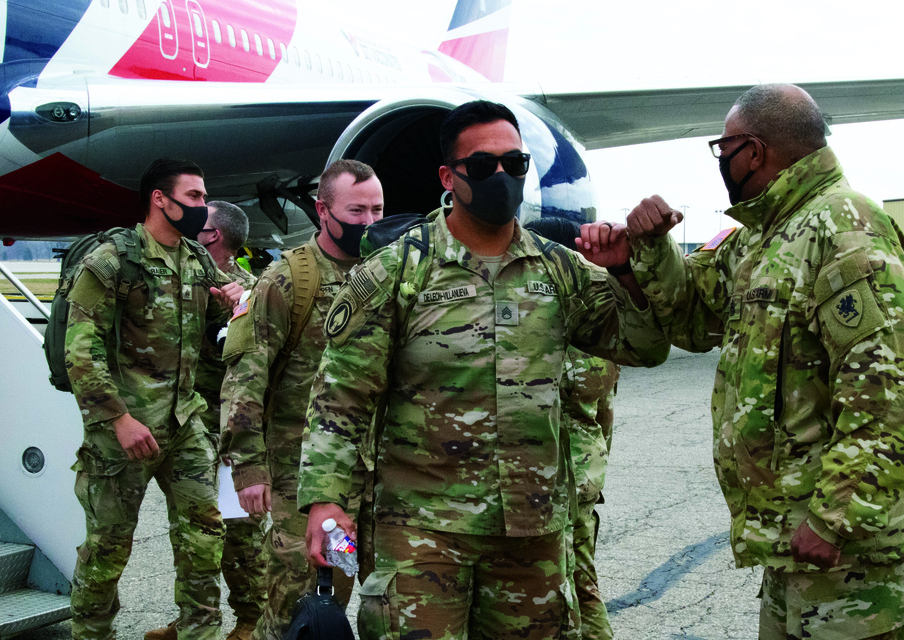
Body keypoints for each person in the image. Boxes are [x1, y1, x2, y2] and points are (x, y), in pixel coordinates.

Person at [298, 100, 671, 640]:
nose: (502, 176)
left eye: (515, 164)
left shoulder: (560, 268)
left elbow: (643, 345)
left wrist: (630, 276)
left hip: (532, 530)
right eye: (482, 166)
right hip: (423, 531)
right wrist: (327, 501)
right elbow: (342, 396)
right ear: (449, 177)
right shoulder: (400, 270)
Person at [626, 84, 904, 639]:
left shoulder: (844, 228)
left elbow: (892, 396)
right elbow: (695, 320)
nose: (721, 160)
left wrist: (836, 519)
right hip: (796, 537)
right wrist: (649, 252)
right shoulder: (764, 236)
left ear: (752, 150)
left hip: (848, 548)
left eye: (723, 147)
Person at [66, 158, 243, 640]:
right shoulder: (112, 260)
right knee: (108, 549)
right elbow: (81, 351)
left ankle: (198, 633)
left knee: (204, 538)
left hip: (185, 422)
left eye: (205, 197)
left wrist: (234, 298)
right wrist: (119, 419)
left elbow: (213, 334)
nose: (203, 207)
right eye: (194, 197)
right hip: (124, 431)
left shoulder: (195, 256)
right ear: (159, 199)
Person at [220, 160, 384, 640]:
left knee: (372, 593)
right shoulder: (289, 278)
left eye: (377, 209)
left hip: (380, 476)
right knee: (304, 601)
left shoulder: (390, 272)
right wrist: (247, 467)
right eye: (356, 210)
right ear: (323, 211)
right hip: (306, 480)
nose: (370, 222)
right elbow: (245, 373)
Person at [146, 201, 265, 640]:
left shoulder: (250, 291)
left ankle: (252, 619)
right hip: (189, 427)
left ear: (213, 236)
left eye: (201, 222)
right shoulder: (187, 281)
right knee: (192, 532)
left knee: (239, 534)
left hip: (231, 428)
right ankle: (197, 617)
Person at [525, 217, 620, 640]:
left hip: (546, 483)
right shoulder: (598, 329)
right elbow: (605, 416)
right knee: (583, 583)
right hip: (583, 478)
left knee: (555, 594)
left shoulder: (546, 325)